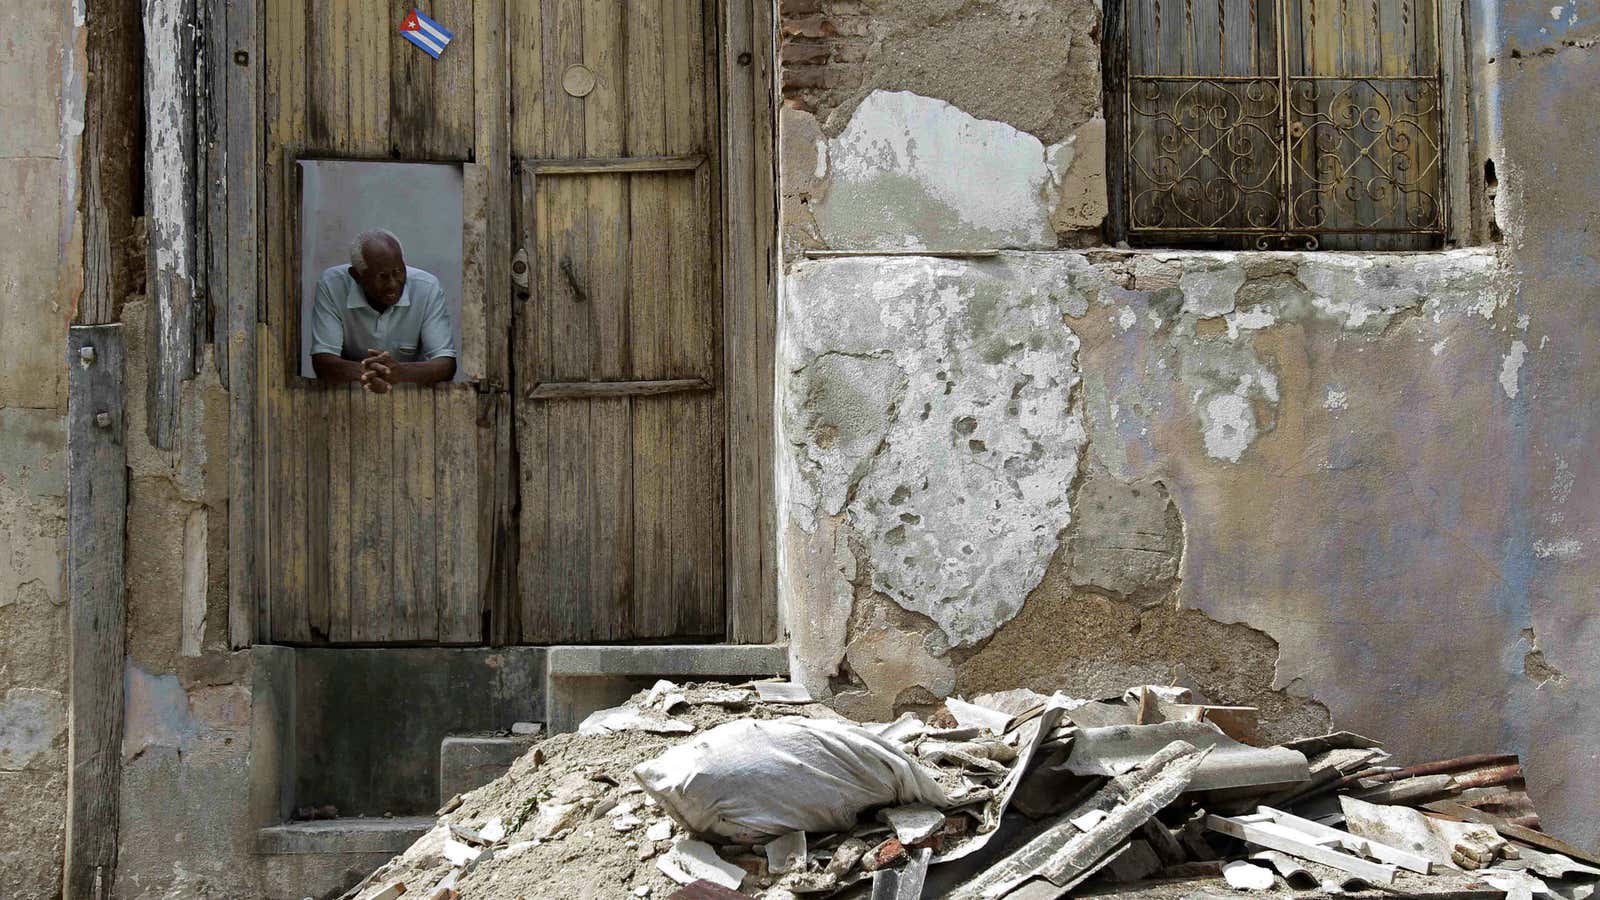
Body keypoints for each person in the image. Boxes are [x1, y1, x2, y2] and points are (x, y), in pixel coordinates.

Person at [309, 229, 457, 392]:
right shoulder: (332, 285)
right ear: (357, 276)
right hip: (351, 400)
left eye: (399, 272)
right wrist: (372, 374)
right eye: (382, 276)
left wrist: (400, 373)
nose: (393, 284)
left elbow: (446, 365)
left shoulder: (427, 288)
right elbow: (323, 362)